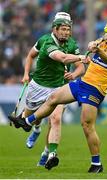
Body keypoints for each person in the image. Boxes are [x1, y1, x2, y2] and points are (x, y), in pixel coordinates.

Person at [9, 21, 107, 173]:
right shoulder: (103, 40)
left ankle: (96, 164)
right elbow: (94, 43)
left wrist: (99, 51)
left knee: (87, 126)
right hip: (81, 83)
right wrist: (93, 44)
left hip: (95, 90)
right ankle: (27, 122)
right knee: (53, 98)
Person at [10, 12, 85, 166]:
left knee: (55, 120)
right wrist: (26, 74)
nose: (66, 32)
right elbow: (32, 56)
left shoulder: (71, 43)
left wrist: (74, 74)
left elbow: (81, 68)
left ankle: (50, 154)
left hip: (59, 87)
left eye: (68, 29)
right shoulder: (45, 41)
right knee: (31, 116)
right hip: (38, 86)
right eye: (63, 29)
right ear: (55, 28)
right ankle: (36, 129)